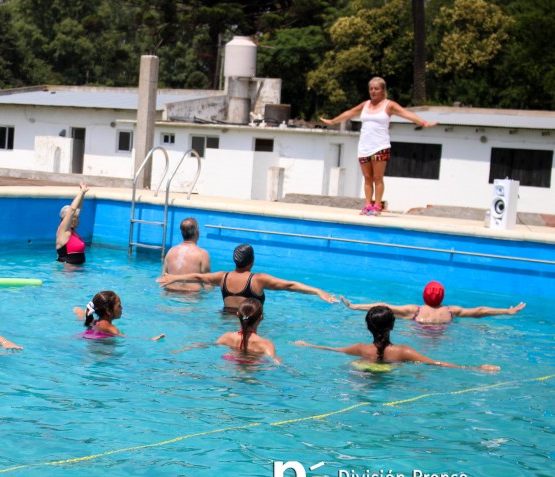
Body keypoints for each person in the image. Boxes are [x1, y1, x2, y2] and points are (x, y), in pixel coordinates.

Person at [320, 77, 438, 216]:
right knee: (367, 177)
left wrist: (424, 123)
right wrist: (333, 121)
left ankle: (377, 206)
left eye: (376, 89)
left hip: (380, 146)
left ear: (383, 90)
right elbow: (349, 113)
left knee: (377, 177)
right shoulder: (365, 105)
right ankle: (367, 205)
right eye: (371, 89)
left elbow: (407, 114)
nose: (373, 91)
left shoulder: (389, 105)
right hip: (364, 146)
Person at [294, 305, 500, 370]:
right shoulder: (403, 351)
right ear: (393, 325)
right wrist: (475, 368)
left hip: (364, 371)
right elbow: (435, 363)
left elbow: (332, 350)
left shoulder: (360, 349)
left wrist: (307, 344)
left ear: (367, 326)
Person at [156, 243, 338, 310]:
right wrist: (317, 291)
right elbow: (289, 285)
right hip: (249, 328)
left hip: (224, 323)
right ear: (252, 261)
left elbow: (199, 277)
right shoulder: (257, 279)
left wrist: (175, 278)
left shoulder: (223, 277)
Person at [341, 281, 526, 325]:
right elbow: (480, 311)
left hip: (418, 335)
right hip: (444, 336)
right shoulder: (451, 311)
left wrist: (354, 306)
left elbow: (383, 306)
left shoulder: (413, 310)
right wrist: (506, 311)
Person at [73, 291, 165, 340]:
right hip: (99, 346)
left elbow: (87, 321)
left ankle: (80, 313)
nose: (121, 308)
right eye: (119, 306)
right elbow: (127, 338)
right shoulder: (111, 328)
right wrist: (150, 339)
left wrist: (81, 314)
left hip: (85, 337)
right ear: (108, 311)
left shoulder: (94, 321)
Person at [161, 218, 211, 292]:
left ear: (182, 233)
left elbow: (163, 278)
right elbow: (208, 283)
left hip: (169, 294)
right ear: (197, 232)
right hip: (191, 298)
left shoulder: (171, 251)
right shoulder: (202, 254)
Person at [56, 183, 89, 265]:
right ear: (68, 219)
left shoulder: (72, 231)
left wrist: (83, 194)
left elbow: (77, 209)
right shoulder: (63, 231)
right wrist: (81, 192)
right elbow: (72, 210)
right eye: (76, 218)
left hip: (76, 272)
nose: (78, 221)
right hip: (67, 273)